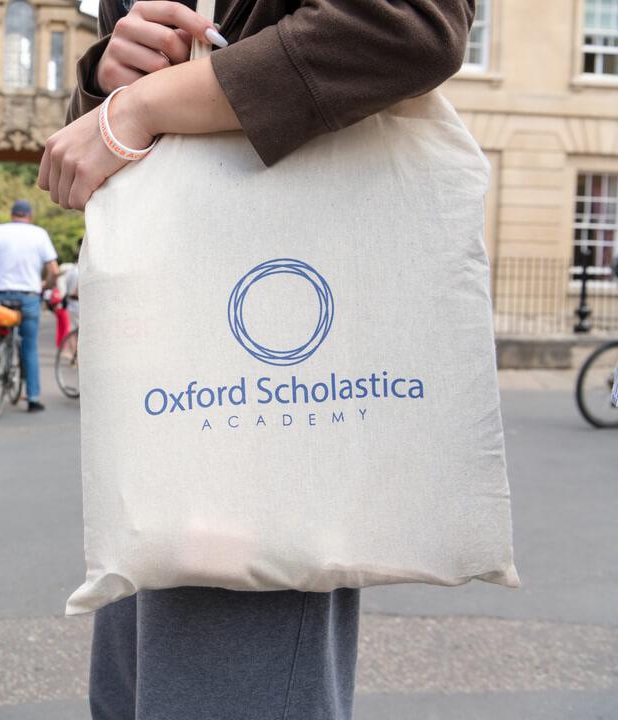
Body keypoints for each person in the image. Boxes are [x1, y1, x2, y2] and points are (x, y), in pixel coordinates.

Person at [37, 0, 473, 718]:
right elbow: (108, 133)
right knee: (134, 694)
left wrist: (142, 106)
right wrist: (111, 74)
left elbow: (409, 26)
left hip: (267, 323)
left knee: (227, 681)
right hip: (165, 342)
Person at [0, 200, 58, 413]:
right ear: (30, 217)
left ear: (12, 215)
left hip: (1, 297)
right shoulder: (40, 234)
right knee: (29, 347)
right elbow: (54, 271)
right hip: (29, 297)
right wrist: (45, 286)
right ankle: (32, 398)